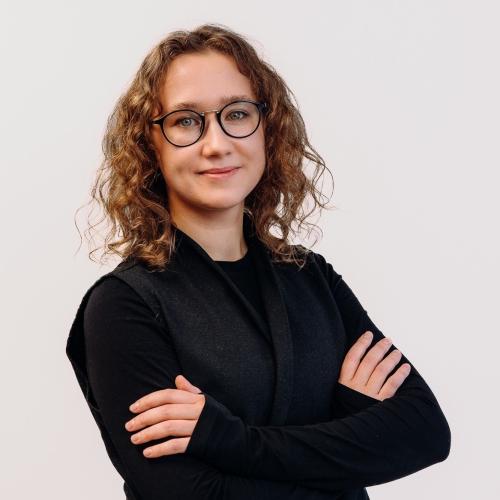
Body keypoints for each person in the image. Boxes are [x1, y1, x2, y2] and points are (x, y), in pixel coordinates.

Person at [66, 23, 451, 500]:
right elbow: (187, 494)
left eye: (237, 113)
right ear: (151, 144)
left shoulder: (312, 278)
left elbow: (425, 432)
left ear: (267, 128)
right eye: (185, 121)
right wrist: (348, 433)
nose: (216, 143)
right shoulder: (124, 306)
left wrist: (229, 439)